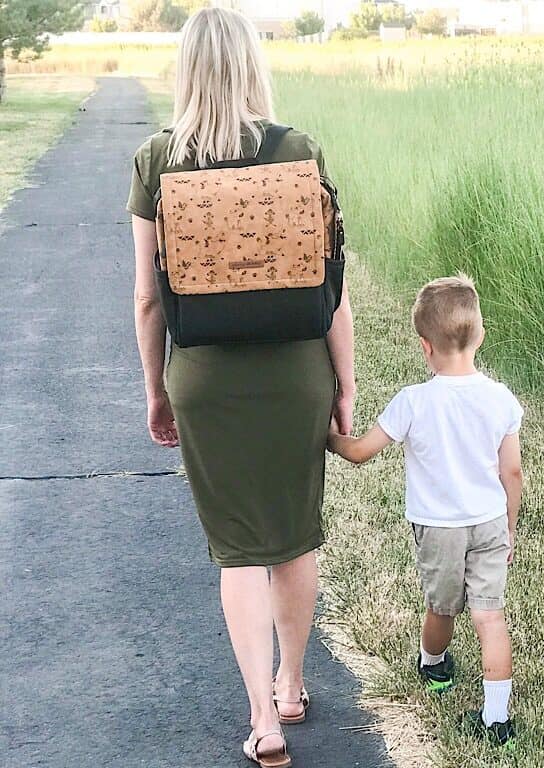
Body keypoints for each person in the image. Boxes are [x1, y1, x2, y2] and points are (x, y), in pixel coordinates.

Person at [127, 9, 356, 767]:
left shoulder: (155, 160)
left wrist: (157, 389)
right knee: (292, 536)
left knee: (238, 553)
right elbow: (333, 287)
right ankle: (293, 683)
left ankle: (263, 720)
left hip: (206, 375)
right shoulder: (298, 150)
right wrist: (344, 385)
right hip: (296, 372)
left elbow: (148, 299)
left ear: (186, 69)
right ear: (254, 64)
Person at [328, 274, 522, 746]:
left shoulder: (413, 402)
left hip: (438, 529)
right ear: (479, 335)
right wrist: (510, 529)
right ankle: (498, 721)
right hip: (491, 521)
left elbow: (359, 453)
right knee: (489, 617)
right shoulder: (500, 399)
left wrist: (326, 436)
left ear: (424, 347)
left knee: (441, 607)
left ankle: (434, 666)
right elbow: (512, 473)